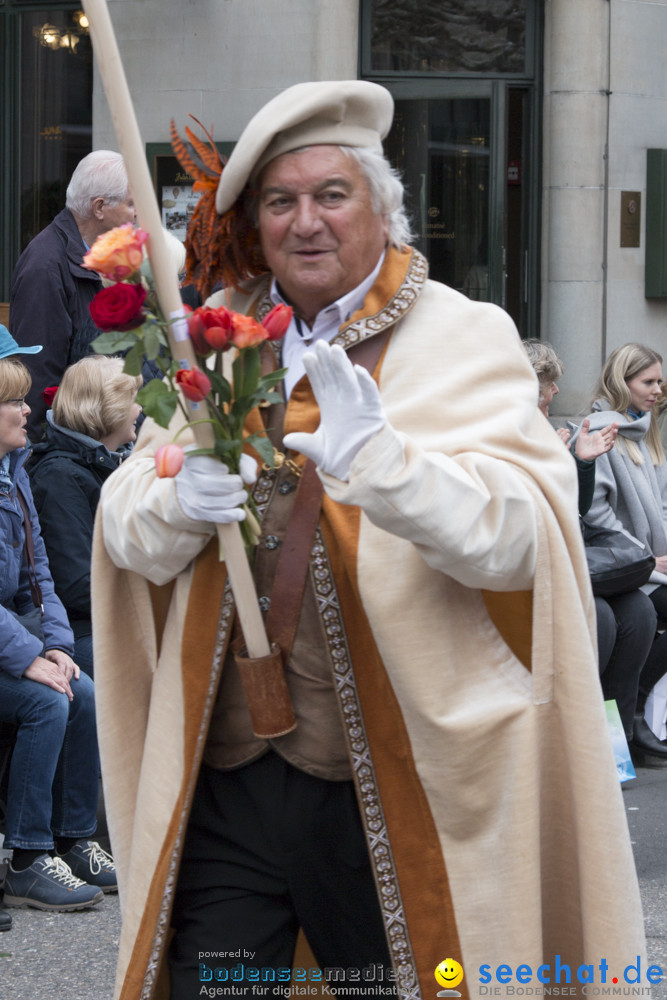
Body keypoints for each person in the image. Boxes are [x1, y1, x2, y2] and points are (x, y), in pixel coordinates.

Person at [92, 82, 646, 1000]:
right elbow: (125, 531)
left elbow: (518, 542)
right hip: (229, 789)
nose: (304, 223)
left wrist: (388, 469)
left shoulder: (465, 339)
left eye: (331, 195)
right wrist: (175, 505)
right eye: (280, 201)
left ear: (383, 211)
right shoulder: (220, 341)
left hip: (394, 792)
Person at [0, 336, 116, 910]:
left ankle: (75, 839)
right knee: (46, 701)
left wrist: (57, 643)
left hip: (18, 632)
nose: (29, 411)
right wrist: (27, 656)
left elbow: (39, 572)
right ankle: (25, 856)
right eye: (14, 402)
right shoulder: (45, 473)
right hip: (5, 642)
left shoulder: (15, 470)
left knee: (80, 687)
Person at [523, 339, 660, 753]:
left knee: (637, 611)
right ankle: (577, 739)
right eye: (550, 384)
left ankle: (618, 741)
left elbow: (574, 510)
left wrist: (578, 464)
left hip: (579, 558)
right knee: (600, 616)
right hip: (539, 566)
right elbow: (583, 517)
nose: (557, 392)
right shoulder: (511, 434)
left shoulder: (553, 432)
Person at [27, 357, 142, 678]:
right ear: (109, 408)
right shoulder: (60, 476)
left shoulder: (106, 465)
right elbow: (77, 585)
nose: (139, 409)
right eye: (132, 400)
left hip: (105, 620)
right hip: (79, 632)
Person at [8, 150, 136, 437]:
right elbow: (38, 376)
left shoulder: (91, 256)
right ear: (100, 207)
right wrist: (45, 457)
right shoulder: (45, 267)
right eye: (130, 204)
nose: (135, 214)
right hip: (62, 452)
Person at [580, 342, 667, 762]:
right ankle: (623, 733)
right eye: (647, 382)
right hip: (618, 566)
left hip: (644, 564)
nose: (657, 390)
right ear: (623, 382)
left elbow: (663, 504)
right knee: (635, 615)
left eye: (659, 381)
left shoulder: (645, 429)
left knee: (641, 615)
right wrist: (648, 563)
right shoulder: (600, 431)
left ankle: (631, 726)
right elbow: (596, 517)